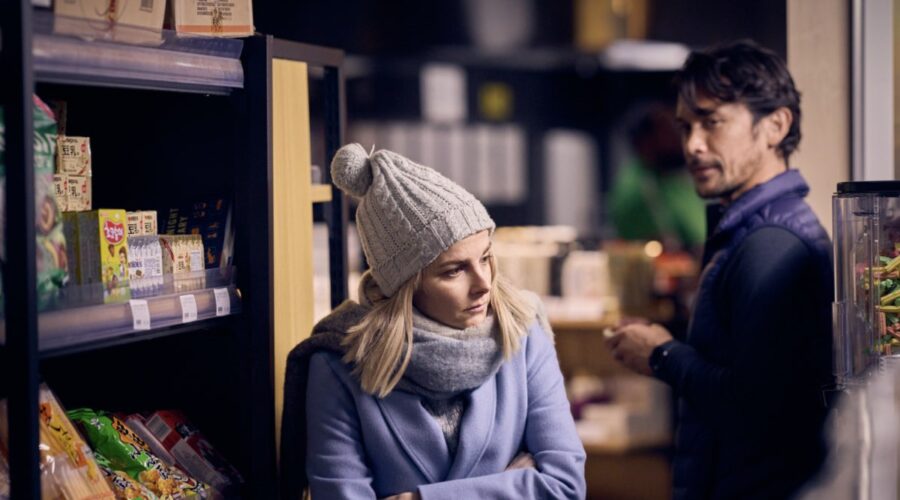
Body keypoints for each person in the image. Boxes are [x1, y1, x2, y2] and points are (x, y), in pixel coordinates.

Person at [280, 144, 586, 499]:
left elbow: (565, 486)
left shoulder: (522, 332)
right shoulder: (338, 363)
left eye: (485, 258)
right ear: (406, 285)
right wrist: (511, 487)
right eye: (454, 270)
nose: (484, 284)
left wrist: (418, 498)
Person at [605, 40, 834, 499]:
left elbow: (755, 407)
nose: (693, 144)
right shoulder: (752, 232)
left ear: (776, 125)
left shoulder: (772, 243)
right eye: (686, 126)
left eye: (712, 122)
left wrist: (662, 355)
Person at [608, 102, 706, 251]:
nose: (679, 137)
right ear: (644, 142)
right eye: (667, 131)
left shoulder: (671, 176)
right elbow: (667, 247)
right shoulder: (638, 189)